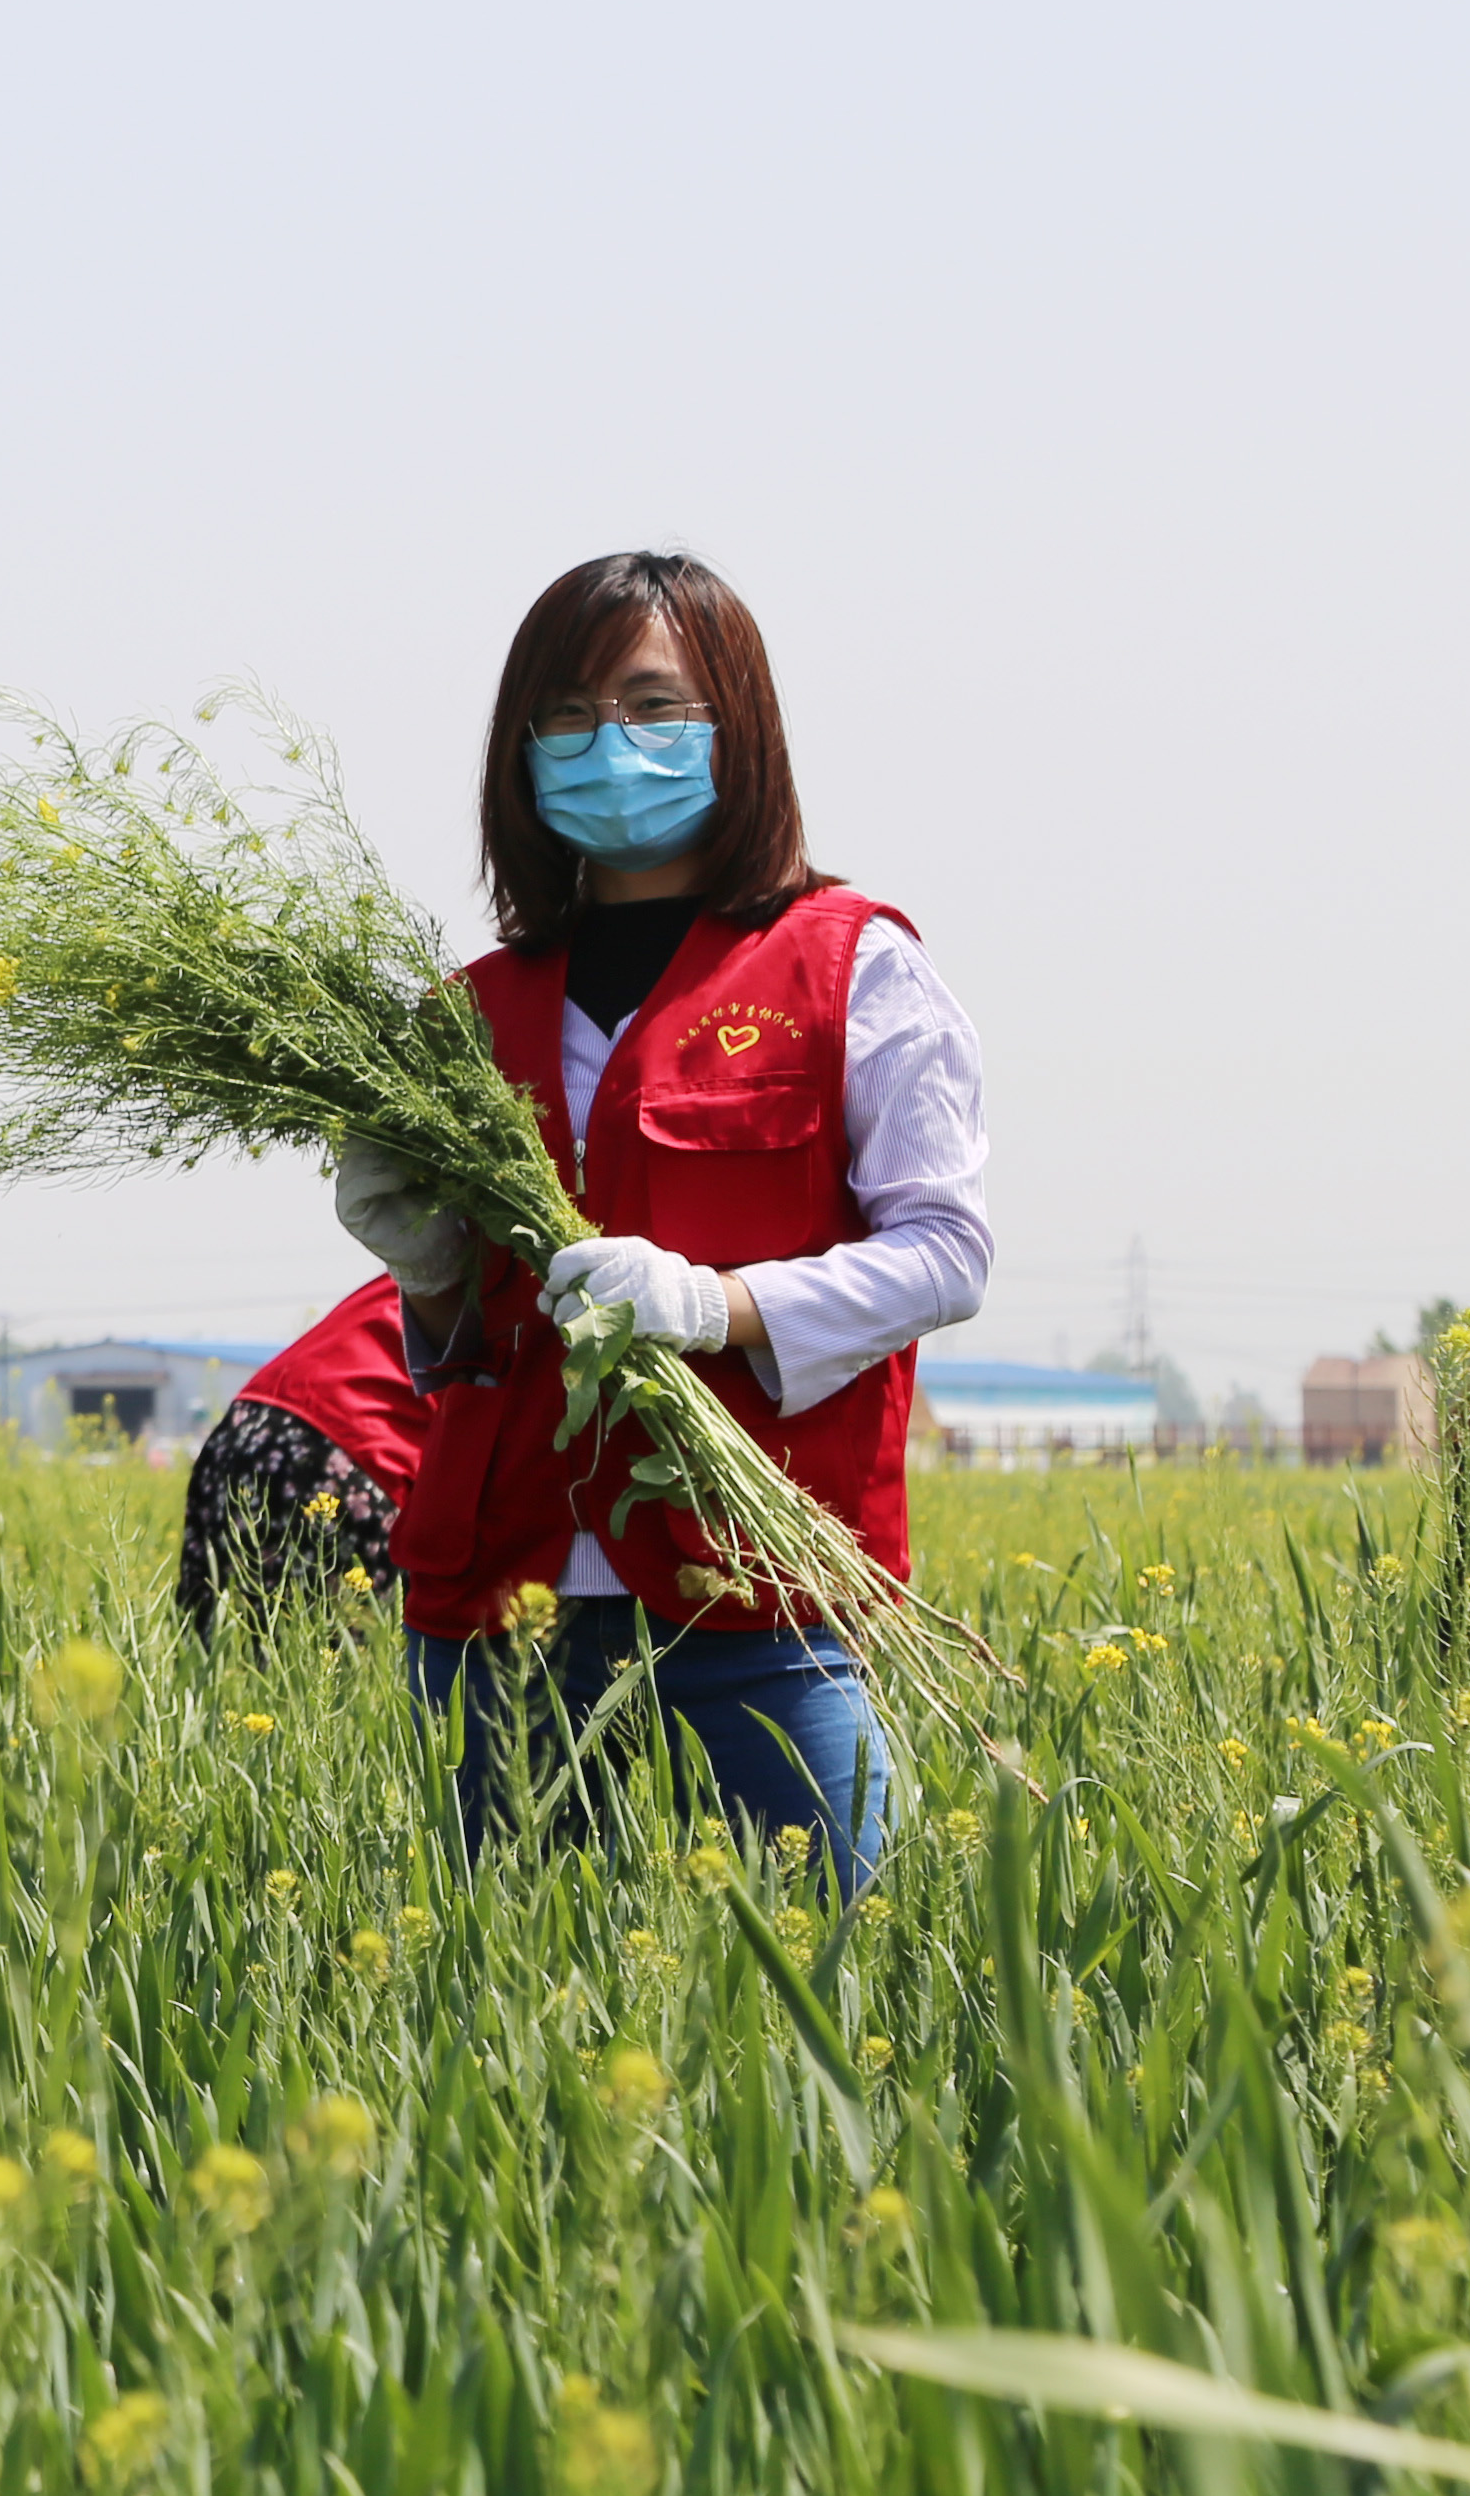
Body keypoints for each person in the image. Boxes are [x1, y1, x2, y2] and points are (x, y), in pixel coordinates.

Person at [328, 551, 988, 1893]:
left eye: (649, 707)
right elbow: (463, 1347)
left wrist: (717, 1304)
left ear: (736, 728)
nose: (604, 748)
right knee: (503, 2013)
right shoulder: (470, 1009)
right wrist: (429, 1268)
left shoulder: (852, 967)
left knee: (828, 1989)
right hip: (498, 1609)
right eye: (563, 719)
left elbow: (945, 1254)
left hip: (756, 1597)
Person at [174, 1274, 435, 1635]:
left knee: (212, 1651)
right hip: (339, 1446)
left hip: (248, 1422)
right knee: (332, 1668)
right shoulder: (521, 1269)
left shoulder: (440, 1246)